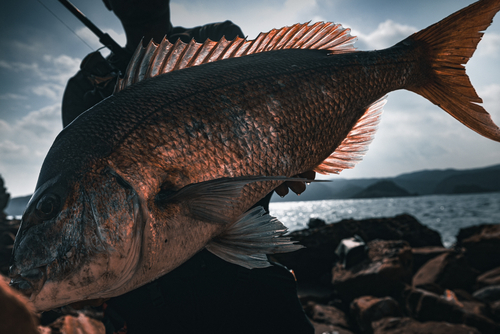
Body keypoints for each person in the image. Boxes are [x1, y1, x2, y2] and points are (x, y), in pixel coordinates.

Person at [61, 1, 315, 333]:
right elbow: (81, 200)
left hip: (248, 278)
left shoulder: (219, 39)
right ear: (107, 2)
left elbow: (267, 117)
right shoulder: (82, 89)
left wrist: (297, 147)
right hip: (146, 310)